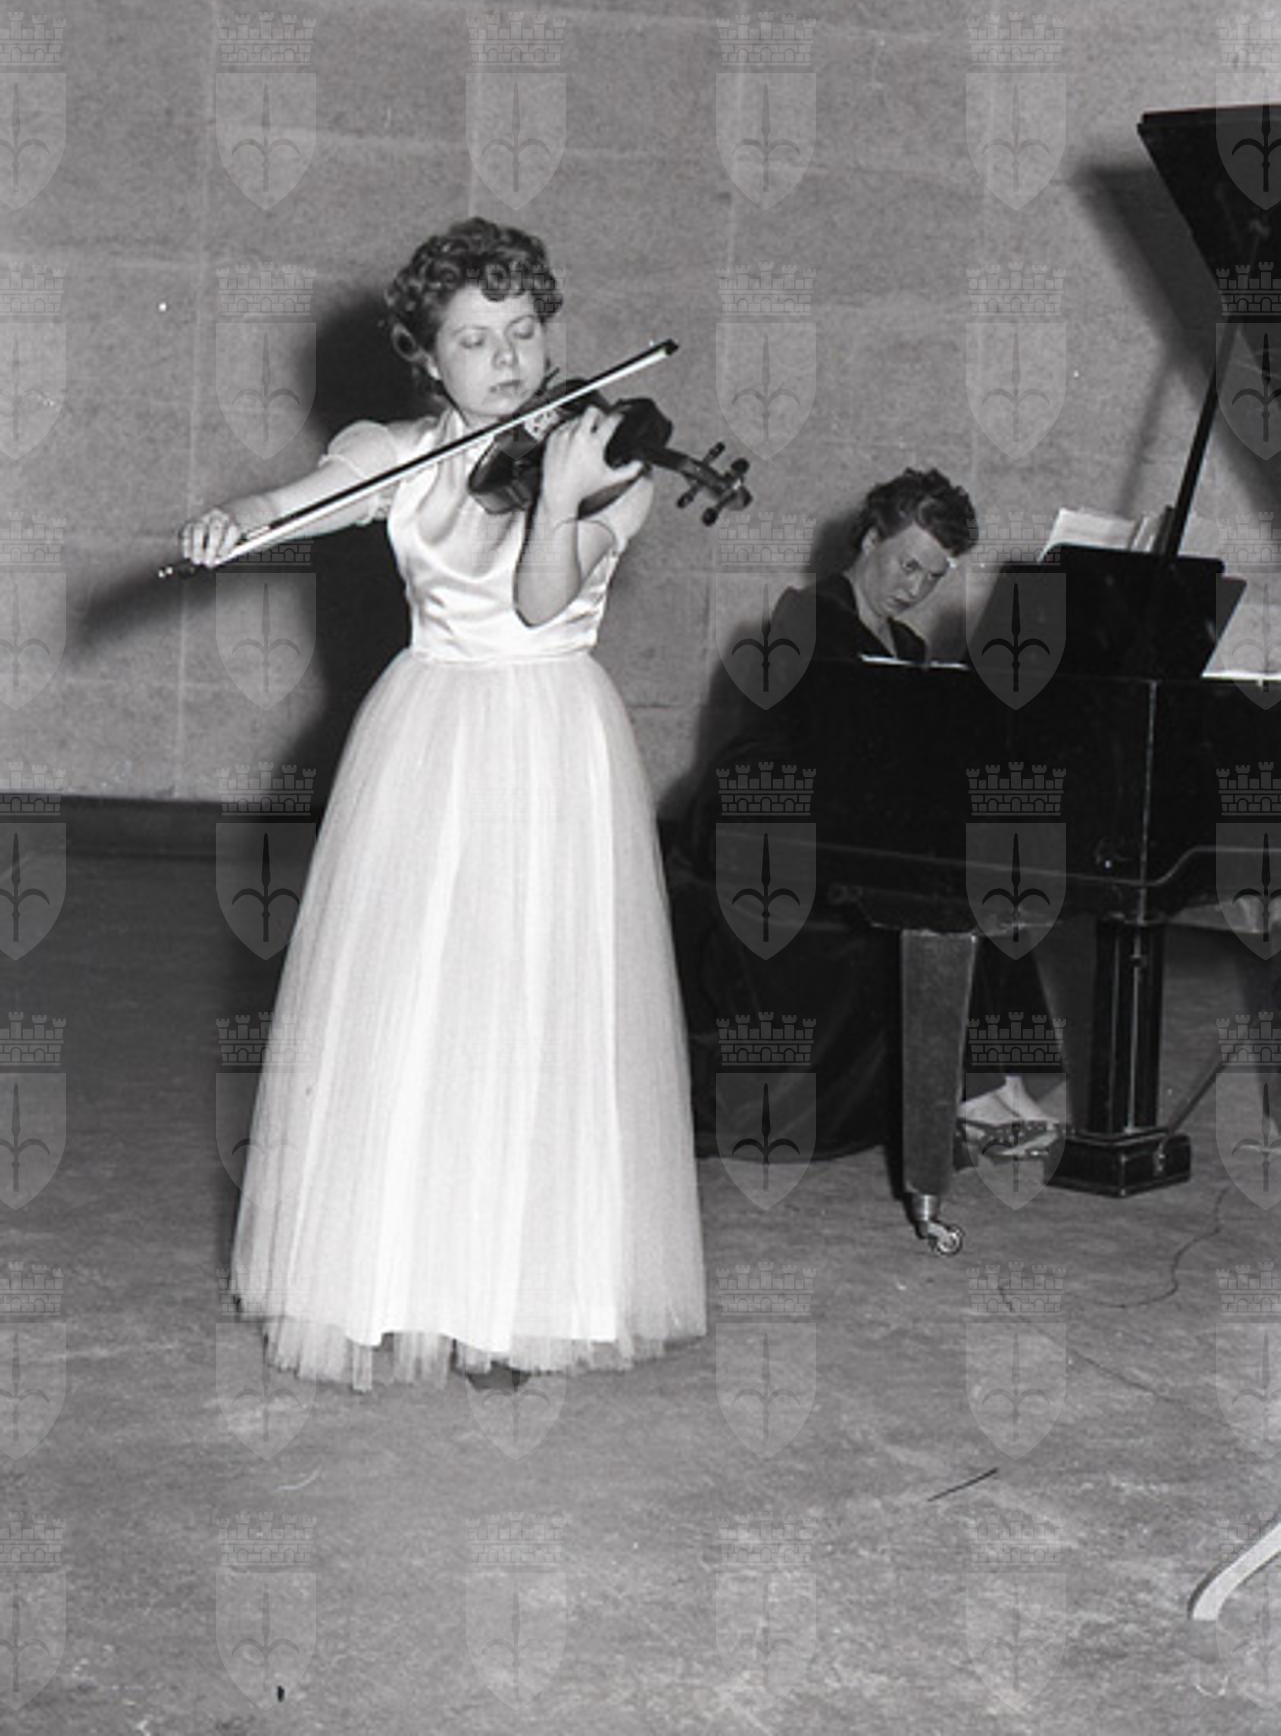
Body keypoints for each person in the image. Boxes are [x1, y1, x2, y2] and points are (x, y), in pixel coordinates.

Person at [183, 217, 706, 1392]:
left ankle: (515, 1299)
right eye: (475, 339)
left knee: (532, 1005)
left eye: (524, 330)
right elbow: (307, 495)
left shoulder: (615, 458)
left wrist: (561, 494)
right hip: (431, 730)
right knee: (416, 1001)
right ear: (428, 356)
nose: (509, 359)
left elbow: (538, 602)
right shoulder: (399, 450)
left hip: (552, 732)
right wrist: (243, 519)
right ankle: (392, 1275)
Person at [667, 466, 1064, 1172]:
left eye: (932, 577)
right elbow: (837, 759)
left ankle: (1000, 1081)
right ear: (871, 538)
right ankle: (975, 1092)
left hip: (840, 816)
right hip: (764, 824)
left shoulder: (906, 648)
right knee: (947, 881)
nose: (914, 589)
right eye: (907, 564)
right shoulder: (807, 618)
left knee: (986, 878)